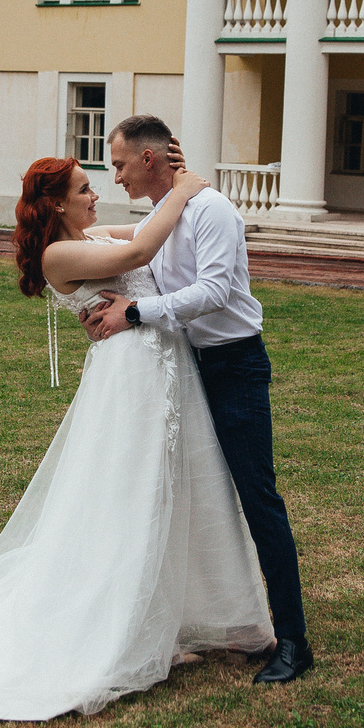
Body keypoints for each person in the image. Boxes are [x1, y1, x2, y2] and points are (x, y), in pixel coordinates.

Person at [0, 155, 274, 721]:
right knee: (133, 495)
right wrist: (186, 189)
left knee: (181, 487)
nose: (97, 193)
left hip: (165, 369)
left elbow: (149, 232)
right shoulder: (60, 254)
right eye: (84, 188)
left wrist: (180, 195)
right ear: (57, 203)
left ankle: (194, 613)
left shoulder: (91, 234)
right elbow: (138, 253)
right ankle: (119, 627)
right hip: (131, 378)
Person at [80, 114, 313, 685]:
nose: (116, 178)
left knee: (258, 498)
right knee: (185, 495)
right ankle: (205, 620)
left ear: (150, 159)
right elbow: (130, 255)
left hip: (234, 366)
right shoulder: (158, 217)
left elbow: (214, 292)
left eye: (120, 165)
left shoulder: (212, 211)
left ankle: (293, 642)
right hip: (183, 368)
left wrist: (132, 312)